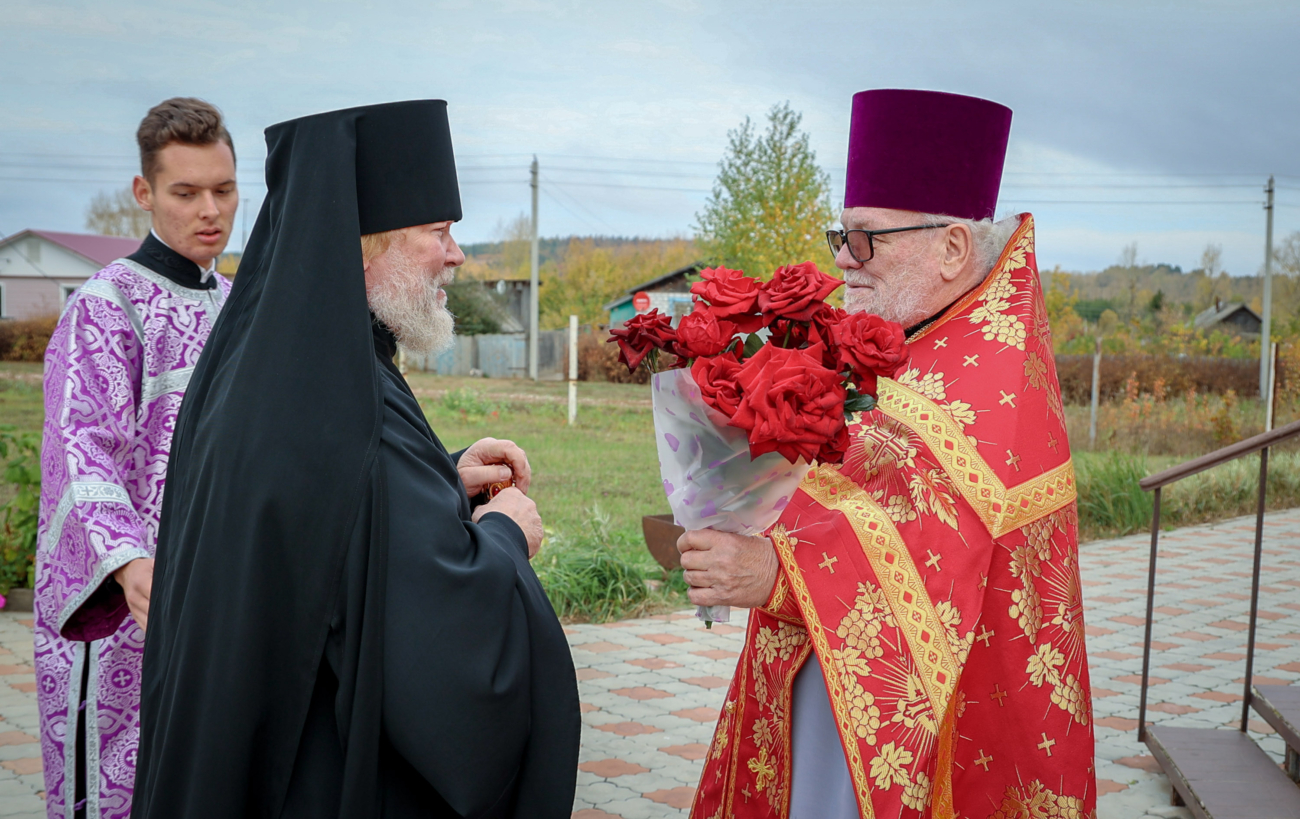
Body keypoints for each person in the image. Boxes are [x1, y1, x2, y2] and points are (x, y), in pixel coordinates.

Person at [132, 100, 580, 819]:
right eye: (438, 230)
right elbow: (434, 631)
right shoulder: (344, 394)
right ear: (365, 243)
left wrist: (444, 473)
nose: (456, 253)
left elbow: (327, 511)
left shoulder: (271, 363)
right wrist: (505, 534)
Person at [681, 89, 1095, 818]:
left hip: (945, 721)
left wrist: (776, 572)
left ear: (952, 248)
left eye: (867, 237)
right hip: (833, 680)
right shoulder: (910, 340)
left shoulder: (992, 371)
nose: (844, 257)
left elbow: (936, 546)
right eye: (841, 234)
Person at [35, 97, 238, 819]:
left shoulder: (239, 306)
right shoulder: (105, 305)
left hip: (220, 600)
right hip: (128, 605)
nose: (209, 209)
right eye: (185, 193)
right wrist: (127, 562)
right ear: (144, 194)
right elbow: (80, 449)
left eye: (224, 188)